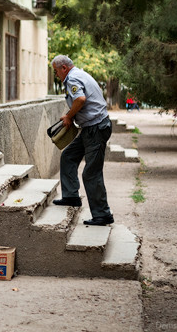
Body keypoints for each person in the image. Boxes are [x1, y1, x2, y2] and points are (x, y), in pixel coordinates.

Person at [50, 55, 114, 226]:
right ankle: (71, 196)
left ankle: (102, 214)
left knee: (91, 173)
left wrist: (69, 116)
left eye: (56, 71)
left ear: (64, 68)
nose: (56, 75)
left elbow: (80, 99)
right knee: (69, 156)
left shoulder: (72, 78)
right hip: (92, 127)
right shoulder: (79, 74)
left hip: (96, 129)